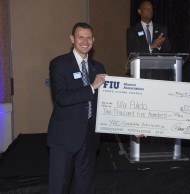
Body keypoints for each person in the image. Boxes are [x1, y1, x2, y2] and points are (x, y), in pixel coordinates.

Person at [47, 22, 107, 194]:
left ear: (93, 40)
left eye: (89, 37)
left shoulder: (99, 67)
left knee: (86, 188)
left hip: (89, 138)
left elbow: (107, 103)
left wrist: (132, 127)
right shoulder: (59, 64)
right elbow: (62, 98)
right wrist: (91, 87)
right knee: (59, 188)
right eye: (81, 37)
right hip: (64, 139)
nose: (85, 41)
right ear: (72, 39)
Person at [126, 0, 172, 81]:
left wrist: (159, 45)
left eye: (151, 9)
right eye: (146, 9)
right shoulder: (132, 31)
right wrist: (151, 46)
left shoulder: (161, 29)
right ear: (139, 11)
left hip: (159, 76)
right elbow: (131, 52)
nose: (150, 11)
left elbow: (168, 49)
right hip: (140, 75)